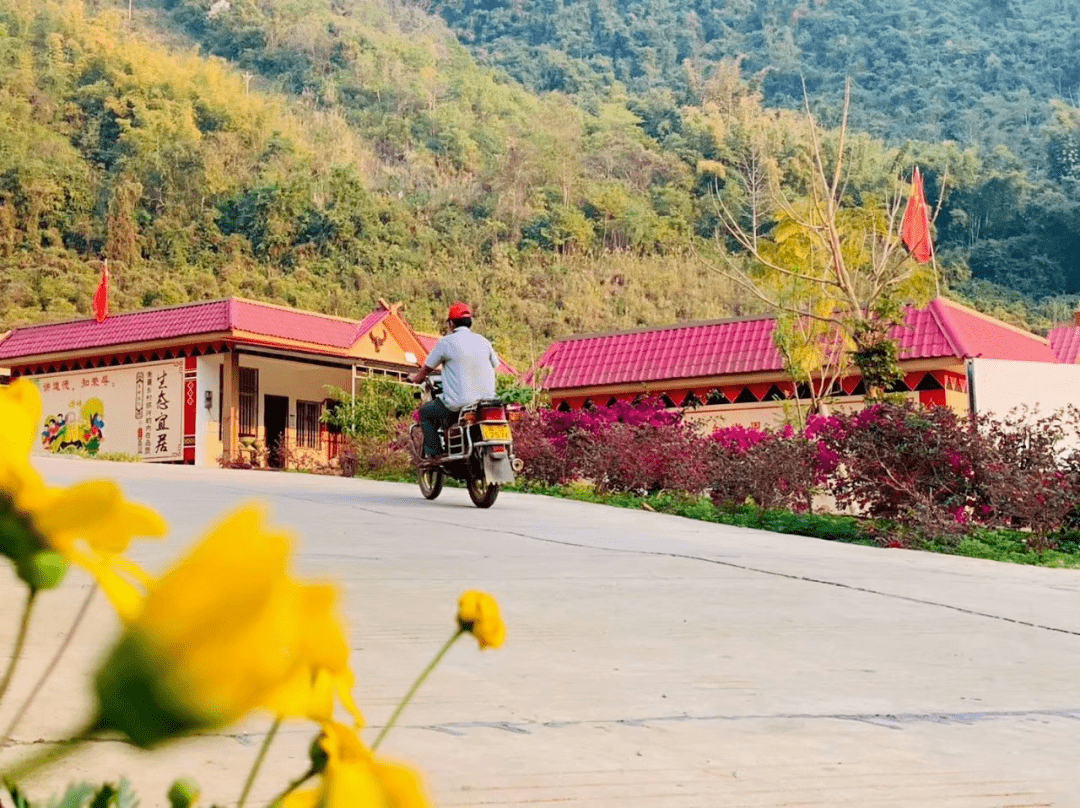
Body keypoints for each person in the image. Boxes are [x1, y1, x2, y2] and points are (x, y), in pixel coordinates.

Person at [410, 302, 499, 458]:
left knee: (425, 412)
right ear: (470, 322)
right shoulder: (484, 342)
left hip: (460, 403)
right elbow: (495, 365)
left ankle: (435, 455)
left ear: (450, 324)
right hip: (486, 403)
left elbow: (426, 369)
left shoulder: (446, 342)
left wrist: (415, 379)